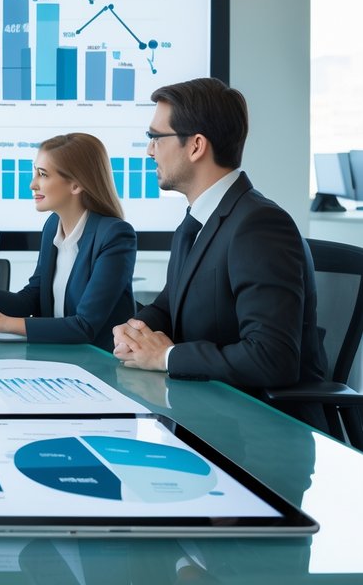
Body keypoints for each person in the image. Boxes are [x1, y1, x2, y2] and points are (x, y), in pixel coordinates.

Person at [113, 78, 326, 393]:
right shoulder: (197, 222)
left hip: (255, 425)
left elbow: (272, 358)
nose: (149, 151)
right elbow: (168, 308)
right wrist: (134, 331)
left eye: (156, 137)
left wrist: (166, 356)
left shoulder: (259, 225)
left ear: (196, 145)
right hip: (202, 404)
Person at [0, 133, 137, 351]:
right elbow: (32, 299)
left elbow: (84, 326)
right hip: (57, 359)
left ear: (76, 185)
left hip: (100, 367)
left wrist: (4, 323)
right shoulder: (52, 226)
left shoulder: (115, 235)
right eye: (35, 172)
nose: (32, 184)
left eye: (43, 175)